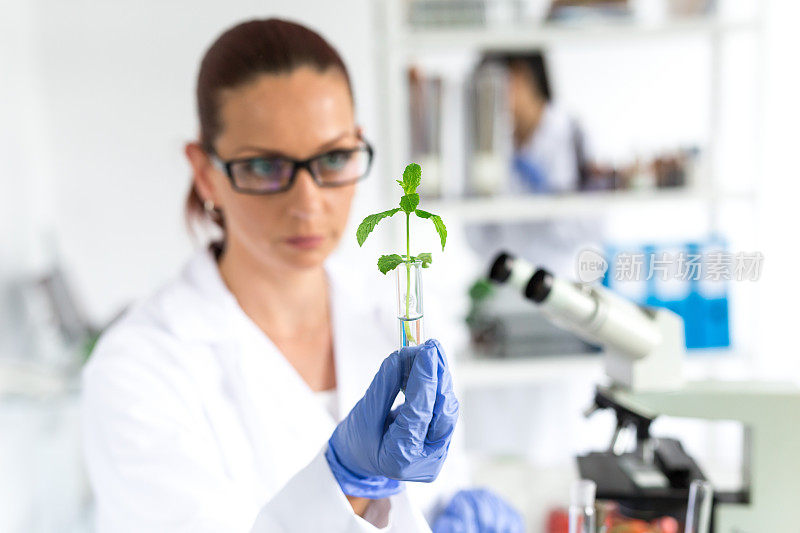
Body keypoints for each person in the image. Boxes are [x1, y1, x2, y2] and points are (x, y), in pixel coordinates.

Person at [81, 18, 523, 533]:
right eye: (266, 168)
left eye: (334, 158)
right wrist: (344, 486)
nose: (308, 203)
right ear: (205, 172)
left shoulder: (394, 320)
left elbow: (429, 498)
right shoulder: (139, 369)